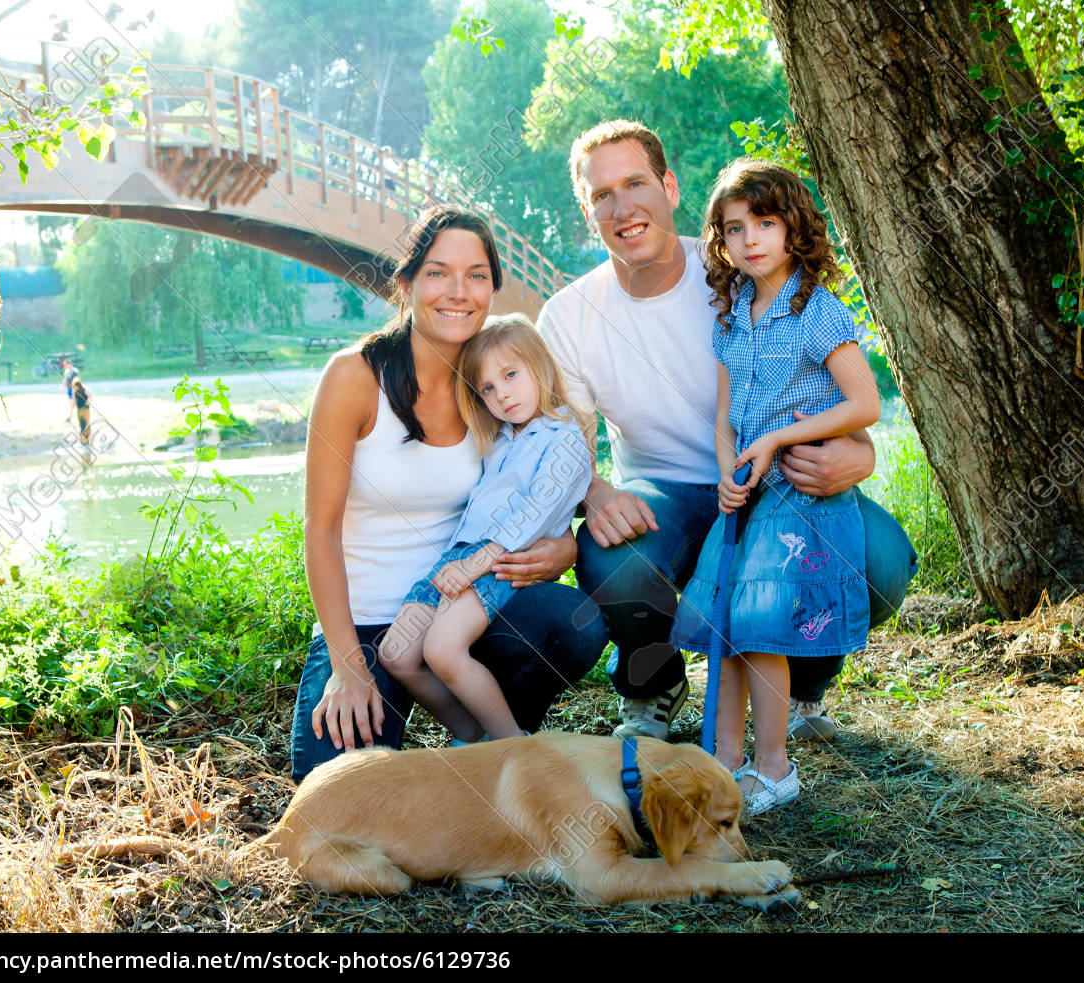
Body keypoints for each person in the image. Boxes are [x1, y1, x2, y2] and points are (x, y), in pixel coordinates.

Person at [536, 120, 917, 745]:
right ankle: (652, 684)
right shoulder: (569, 316)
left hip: (777, 480)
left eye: (635, 183)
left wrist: (860, 453)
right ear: (587, 211)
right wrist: (596, 495)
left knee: (880, 562)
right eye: (602, 194)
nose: (622, 207)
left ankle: (804, 683)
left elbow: (838, 392)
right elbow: (564, 448)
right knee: (616, 561)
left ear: (670, 186)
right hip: (666, 494)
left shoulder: (740, 270)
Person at [291, 206, 606, 781]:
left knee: (574, 621)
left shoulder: (492, 384)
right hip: (366, 623)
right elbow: (320, 528)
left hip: (467, 602)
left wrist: (569, 544)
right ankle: (461, 742)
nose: (458, 292)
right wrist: (347, 664)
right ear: (407, 284)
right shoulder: (353, 377)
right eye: (438, 273)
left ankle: (502, 747)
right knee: (341, 795)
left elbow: (547, 466)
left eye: (477, 275)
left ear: (492, 289)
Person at [669, 158, 881, 815]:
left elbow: (865, 401)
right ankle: (725, 761)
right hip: (747, 490)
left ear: (794, 230)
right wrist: (730, 465)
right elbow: (726, 411)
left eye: (766, 222)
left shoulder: (816, 311)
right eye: (735, 228)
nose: (751, 238)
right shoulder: (734, 310)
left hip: (798, 492)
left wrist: (777, 441)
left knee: (761, 626)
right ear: (721, 241)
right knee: (723, 623)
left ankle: (775, 767)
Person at [379, 315, 592, 742]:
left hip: (496, 561)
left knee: (442, 649)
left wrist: (474, 565)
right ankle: (474, 738)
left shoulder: (564, 438)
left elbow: (531, 517)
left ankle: (511, 744)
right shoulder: (499, 438)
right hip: (455, 556)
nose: (502, 394)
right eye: (488, 388)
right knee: (396, 653)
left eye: (511, 375)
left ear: (541, 368)